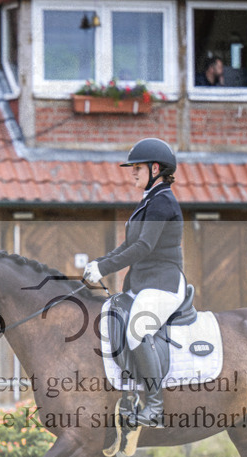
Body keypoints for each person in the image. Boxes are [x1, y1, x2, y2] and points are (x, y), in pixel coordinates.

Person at [83, 138, 185, 428]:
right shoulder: (149, 201)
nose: (133, 173)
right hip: (142, 283)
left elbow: (143, 247)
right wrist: (98, 265)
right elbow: (128, 245)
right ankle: (126, 395)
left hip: (163, 283)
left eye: (137, 168)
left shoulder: (162, 201)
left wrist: (104, 266)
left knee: (137, 330)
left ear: (155, 168)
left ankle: (154, 406)